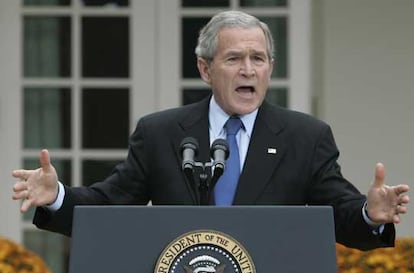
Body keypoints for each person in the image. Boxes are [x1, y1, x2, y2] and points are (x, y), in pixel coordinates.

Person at [12, 11, 409, 250]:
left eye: (258, 58)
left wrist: (370, 214)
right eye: (234, 58)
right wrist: (58, 197)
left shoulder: (306, 136)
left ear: (271, 67)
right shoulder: (161, 133)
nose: (248, 70)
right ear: (205, 69)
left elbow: (340, 216)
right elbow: (109, 206)